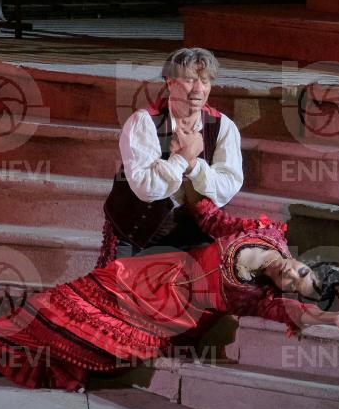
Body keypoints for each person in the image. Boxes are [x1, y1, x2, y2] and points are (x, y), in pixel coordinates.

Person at [0, 190, 339, 390]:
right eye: (300, 271)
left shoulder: (259, 298)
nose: (290, 274)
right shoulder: (264, 232)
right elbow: (211, 217)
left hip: (161, 317)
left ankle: (2, 359)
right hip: (144, 276)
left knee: (91, 345)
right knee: (49, 304)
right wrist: (186, 163)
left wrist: (333, 317)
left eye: (294, 283)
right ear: (303, 261)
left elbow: (297, 313)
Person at [98, 47, 242, 268]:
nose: (198, 89)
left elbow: (227, 187)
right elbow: (146, 187)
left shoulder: (224, 127)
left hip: (193, 234)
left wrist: (193, 165)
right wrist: (182, 158)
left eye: (205, 81)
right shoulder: (144, 122)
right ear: (170, 81)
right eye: (190, 80)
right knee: (117, 288)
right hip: (137, 231)